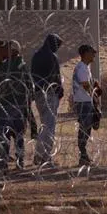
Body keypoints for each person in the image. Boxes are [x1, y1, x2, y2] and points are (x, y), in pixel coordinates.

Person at [0, 40, 32, 171]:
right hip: (19, 105)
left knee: (5, 135)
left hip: (6, 105)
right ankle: (20, 161)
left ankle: (3, 162)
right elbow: (29, 86)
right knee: (19, 135)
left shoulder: (4, 66)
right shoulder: (22, 65)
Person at [29, 33, 63, 166]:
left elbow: (32, 74)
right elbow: (56, 76)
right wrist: (59, 90)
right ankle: (43, 156)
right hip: (49, 93)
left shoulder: (36, 55)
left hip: (38, 93)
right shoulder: (52, 57)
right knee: (49, 126)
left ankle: (41, 155)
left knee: (44, 124)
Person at [71, 44, 99, 166]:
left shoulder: (85, 67)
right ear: (86, 53)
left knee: (87, 128)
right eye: (92, 52)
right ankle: (83, 155)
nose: (94, 55)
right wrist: (95, 92)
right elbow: (86, 85)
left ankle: (84, 155)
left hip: (85, 101)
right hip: (83, 102)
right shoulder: (82, 68)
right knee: (84, 129)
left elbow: (89, 84)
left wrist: (95, 85)